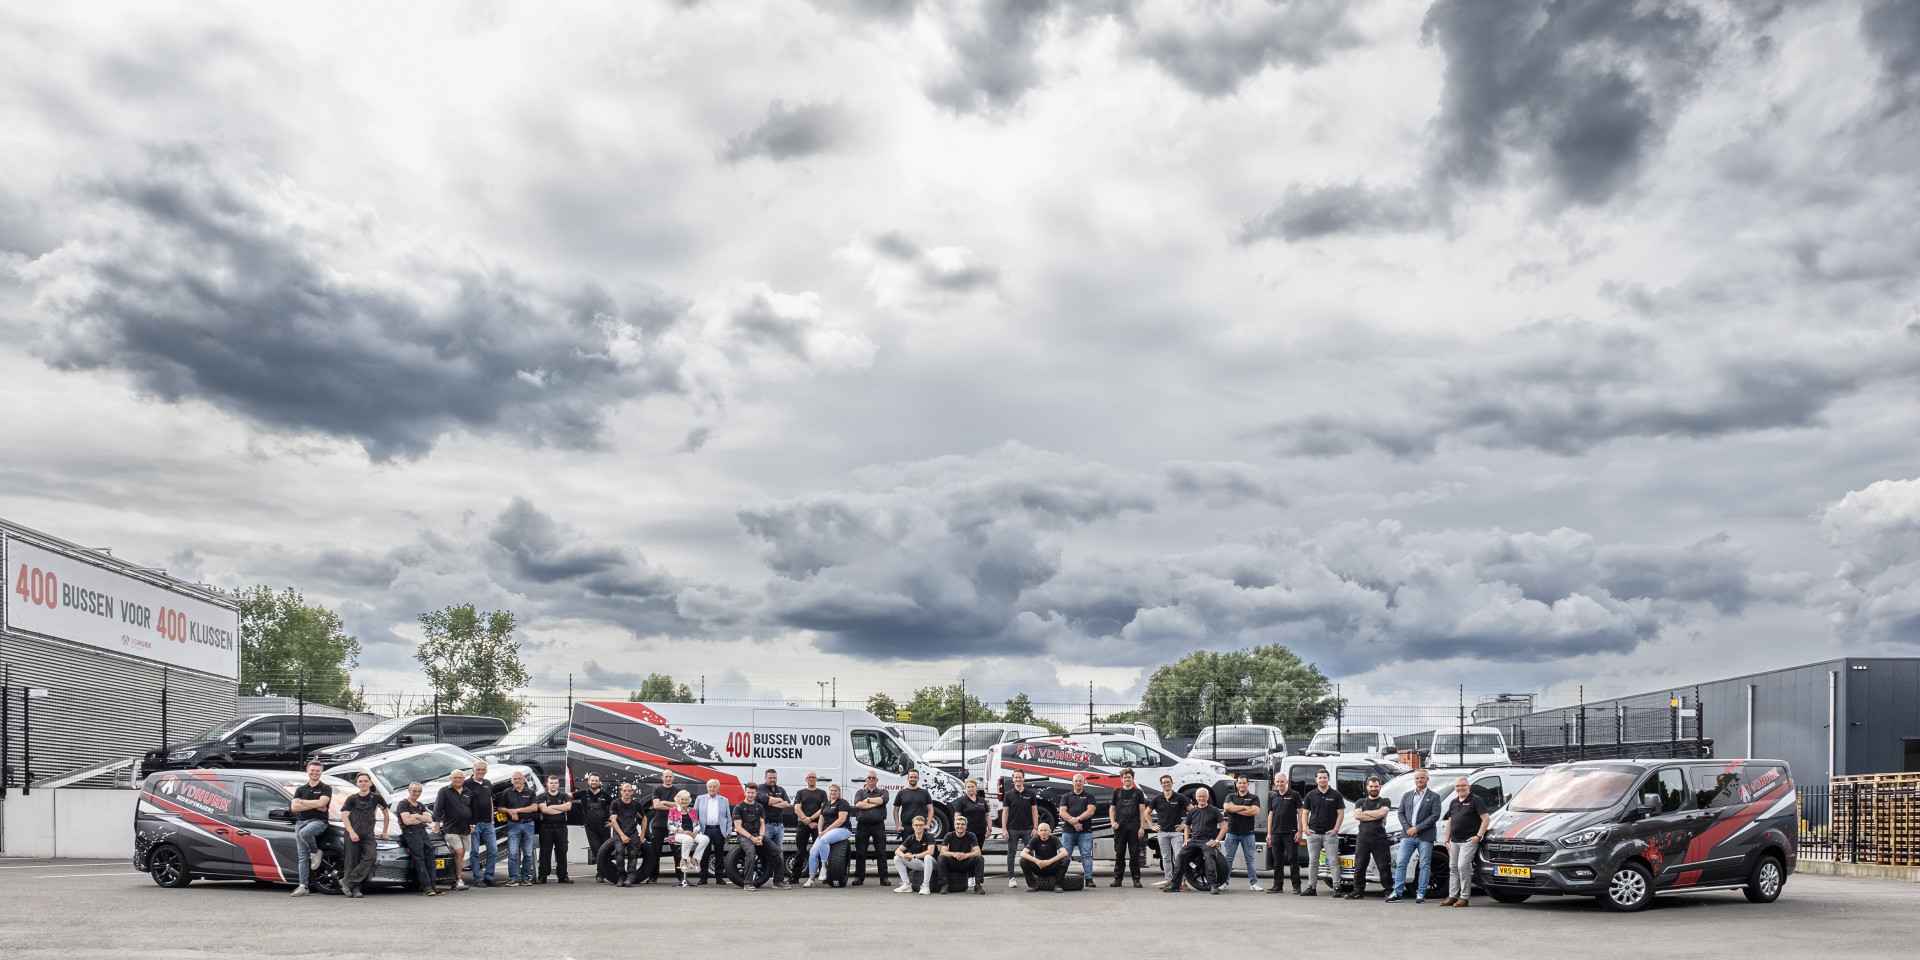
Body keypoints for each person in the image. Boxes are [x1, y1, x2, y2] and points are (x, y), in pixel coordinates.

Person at [1390, 768, 1442, 903]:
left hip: (1425, 836)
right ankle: (1397, 892)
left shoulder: (1434, 797)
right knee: (1401, 863)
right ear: (1415, 780)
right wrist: (1408, 828)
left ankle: (1421, 893)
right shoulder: (1407, 795)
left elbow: (1435, 816)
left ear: (1427, 779)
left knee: (1424, 865)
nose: (1419, 780)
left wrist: (1417, 828)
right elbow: (1400, 813)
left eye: (1422, 778)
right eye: (1417, 778)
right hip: (1407, 836)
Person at [1440, 777, 1489, 908]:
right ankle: (1452, 896)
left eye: (1463, 785)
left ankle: (1464, 897)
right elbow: (1450, 821)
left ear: (1469, 787)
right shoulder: (1453, 802)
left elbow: (1486, 819)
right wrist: (1446, 839)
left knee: (1463, 867)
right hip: (1454, 841)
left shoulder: (1476, 800)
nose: (1460, 788)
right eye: (1458, 786)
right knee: (1453, 868)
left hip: (1469, 840)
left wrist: (1478, 836)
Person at [1166, 787, 1226, 895]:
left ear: (1207, 797)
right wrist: (1186, 840)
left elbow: (1224, 827)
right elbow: (1187, 826)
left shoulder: (1214, 810)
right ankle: (1175, 885)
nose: (1201, 798)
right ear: (1196, 798)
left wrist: (1217, 841)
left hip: (1207, 841)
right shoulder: (1192, 811)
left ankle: (1213, 885)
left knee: (1209, 858)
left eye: (1203, 796)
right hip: (1194, 840)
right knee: (1180, 857)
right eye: (1199, 796)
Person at [340, 772, 389, 899]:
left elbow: (386, 813)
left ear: (370, 783)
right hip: (353, 834)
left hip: (368, 834)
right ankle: (355, 889)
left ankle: (347, 882)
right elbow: (344, 816)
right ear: (357, 783)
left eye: (366, 781)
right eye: (360, 781)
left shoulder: (376, 798)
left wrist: (384, 831)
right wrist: (351, 832)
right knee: (352, 862)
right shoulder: (351, 798)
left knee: (371, 857)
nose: (363, 783)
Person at [289, 761, 334, 897]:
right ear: (307, 771)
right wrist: (316, 804)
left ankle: (316, 852)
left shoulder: (326, 788)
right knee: (302, 857)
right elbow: (294, 807)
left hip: (318, 821)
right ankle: (303, 886)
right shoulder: (300, 789)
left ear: (321, 772)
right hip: (300, 822)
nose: (315, 773)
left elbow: (323, 803)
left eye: (317, 771)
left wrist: (302, 802)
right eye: (312, 770)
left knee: (305, 833)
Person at [1347, 775, 1393, 899]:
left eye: (1376, 786)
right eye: (1371, 786)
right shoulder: (1360, 802)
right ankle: (1358, 891)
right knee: (1359, 866)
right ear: (1367, 787)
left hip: (1379, 839)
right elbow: (1357, 816)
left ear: (1380, 787)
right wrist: (1375, 815)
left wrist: (1365, 813)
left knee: (1384, 866)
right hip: (1363, 839)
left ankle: (1389, 890)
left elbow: (1382, 813)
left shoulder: (1385, 801)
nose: (1373, 788)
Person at [1299, 769, 1343, 896]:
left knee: (1333, 861)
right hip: (1313, 834)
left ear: (1328, 779)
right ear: (1316, 780)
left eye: (1324, 777)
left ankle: (1337, 888)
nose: (1322, 780)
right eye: (1320, 778)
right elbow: (1305, 813)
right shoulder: (1310, 795)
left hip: (1330, 834)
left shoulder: (1336, 795)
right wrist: (1305, 828)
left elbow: (1340, 813)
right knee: (1313, 862)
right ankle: (1311, 888)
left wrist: (1336, 829)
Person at [802, 783, 854, 887]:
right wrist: (820, 831)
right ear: (829, 792)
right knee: (813, 852)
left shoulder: (843, 803)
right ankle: (811, 879)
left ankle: (824, 867)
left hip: (842, 829)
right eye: (831, 791)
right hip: (826, 832)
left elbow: (841, 820)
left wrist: (826, 831)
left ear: (839, 792)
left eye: (835, 791)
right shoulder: (826, 804)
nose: (833, 792)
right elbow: (821, 819)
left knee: (824, 840)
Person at [432, 768, 473, 892]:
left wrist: (473, 824)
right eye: (455, 777)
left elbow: (472, 808)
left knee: (460, 854)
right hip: (451, 828)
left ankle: (453, 878)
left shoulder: (468, 791)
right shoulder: (444, 791)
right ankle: (459, 879)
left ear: (464, 779)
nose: (458, 780)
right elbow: (438, 808)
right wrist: (436, 823)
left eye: (460, 777)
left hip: (465, 828)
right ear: (451, 779)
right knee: (459, 852)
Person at [1221, 774, 1263, 892]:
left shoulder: (1254, 797)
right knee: (1228, 859)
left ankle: (1253, 883)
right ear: (1236, 784)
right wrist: (1245, 808)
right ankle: (1224, 882)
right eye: (1239, 783)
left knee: (1250, 860)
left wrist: (1235, 809)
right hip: (1232, 833)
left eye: (1244, 783)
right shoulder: (1230, 796)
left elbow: (1255, 811)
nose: (1242, 785)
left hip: (1248, 834)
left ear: (1247, 784)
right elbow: (1227, 807)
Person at [394, 781, 437, 896]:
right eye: (414, 791)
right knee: (419, 859)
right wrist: (421, 818)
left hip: (422, 832)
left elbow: (429, 819)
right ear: (409, 791)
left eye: (419, 791)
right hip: (411, 833)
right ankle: (427, 887)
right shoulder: (403, 804)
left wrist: (416, 816)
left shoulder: (420, 805)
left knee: (430, 857)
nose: (416, 793)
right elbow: (407, 821)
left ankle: (433, 886)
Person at [1108, 768, 1149, 888]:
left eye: (1129, 777)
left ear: (1132, 778)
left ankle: (1136, 880)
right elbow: (1112, 809)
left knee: (1134, 854)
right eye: (1125, 777)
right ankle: (1117, 880)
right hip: (1120, 828)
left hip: (1134, 828)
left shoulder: (1138, 792)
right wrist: (1113, 822)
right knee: (1119, 854)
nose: (1127, 779)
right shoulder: (1117, 792)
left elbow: (1142, 810)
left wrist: (1142, 827)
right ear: (1121, 779)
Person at [998, 769, 1039, 888]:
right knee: (1011, 854)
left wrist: (1035, 827)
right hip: (1012, 829)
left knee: (1030, 853)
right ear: (1013, 779)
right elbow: (1005, 812)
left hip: (1028, 829)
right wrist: (1004, 829)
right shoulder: (1008, 795)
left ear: (1023, 778)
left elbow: (1034, 811)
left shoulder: (1030, 793)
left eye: (1020, 777)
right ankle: (1011, 878)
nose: (1018, 779)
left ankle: (1031, 878)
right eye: (1015, 777)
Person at [1056, 773, 1098, 891]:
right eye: (1076, 781)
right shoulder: (1066, 796)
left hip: (1085, 831)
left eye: (1080, 781)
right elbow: (1062, 812)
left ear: (1084, 782)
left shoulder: (1089, 796)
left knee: (1086, 855)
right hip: (1068, 831)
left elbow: (1091, 811)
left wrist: (1077, 819)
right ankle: (1060, 879)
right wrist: (1073, 822)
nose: (1078, 783)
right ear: (1072, 782)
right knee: (1065, 855)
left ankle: (1089, 879)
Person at [1265, 772, 1303, 895]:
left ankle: (1296, 886)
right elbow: (1270, 815)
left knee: (1293, 860)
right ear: (1274, 782)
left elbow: (1300, 813)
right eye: (1277, 781)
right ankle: (1277, 886)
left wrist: (1300, 831)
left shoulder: (1294, 795)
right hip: (1276, 833)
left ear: (1286, 782)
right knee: (1277, 861)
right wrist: (1269, 833)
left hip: (1290, 833)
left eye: (1282, 781)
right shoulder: (1272, 796)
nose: (1279, 784)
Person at [500, 770, 540, 886]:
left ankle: (526, 878)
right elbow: (500, 808)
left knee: (528, 853)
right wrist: (509, 811)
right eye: (515, 779)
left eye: (519, 778)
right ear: (512, 781)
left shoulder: (530, 792)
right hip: (513, 825)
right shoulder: (506, 792)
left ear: (523, 780)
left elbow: (534, 807)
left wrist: (516, 810)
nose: (517, 781)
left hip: (528, 825)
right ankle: (513, 878)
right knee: (513, 853)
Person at [1149, 774, 1189, 887]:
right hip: (1162, 833)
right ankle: (1169, 880)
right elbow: (1146, 812)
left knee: (1178, 858)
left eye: (1168, 782)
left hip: (1176, 833)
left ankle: (1182, 881)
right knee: (1166, 858)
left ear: (1172, 783)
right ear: (1161, 785)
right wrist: (1151, 825)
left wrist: (1184, 824)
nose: (1166, 784)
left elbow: (1192, 811)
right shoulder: (1157, 799)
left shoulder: (1180, 797)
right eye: (1164, 782)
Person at [850, 772, 889, 886]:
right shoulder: (860, 792)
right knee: (860, 852)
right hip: (862, 825)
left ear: (877, 780)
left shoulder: (883, 792)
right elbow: (858, 805)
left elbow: (882, 800)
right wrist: (875, 803)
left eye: (873, 778)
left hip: (878, 825)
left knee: (881, 852)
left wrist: (867, 800)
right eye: (869, 778)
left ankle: (884, 878)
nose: (871, 779)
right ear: (866, 780)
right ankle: (859, 878)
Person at [465, 759, 499, 888]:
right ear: (473, 770)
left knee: (493, 850)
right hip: (473, 824)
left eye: (483, 769)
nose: (481, 771)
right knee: (474, 852)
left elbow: (490, 801)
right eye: (478, 769)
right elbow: (464, 804)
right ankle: (477, 878)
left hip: (488, 823)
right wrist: (469, 822)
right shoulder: (466, 784)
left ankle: (489, 877)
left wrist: (492, 819)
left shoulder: (488, 783)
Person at [573, 773, 612, 882]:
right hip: (590, 828)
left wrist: (612, 821)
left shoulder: (606, 795)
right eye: (592, 780)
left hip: (604, 827)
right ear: (588, 782)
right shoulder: (582, 794)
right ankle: (600, 873)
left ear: (599, 782)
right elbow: (567, 796)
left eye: (596, 780)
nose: (594, 782)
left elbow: (615, 808)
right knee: (596, 850)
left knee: (606, 850)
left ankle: (608, 872)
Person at [607, 782, 647, 887]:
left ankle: (630, 878)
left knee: (633, 855)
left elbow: (644, 818)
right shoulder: (615, 803)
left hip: (633, 833)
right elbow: (613, 820)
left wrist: (642, 835)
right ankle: (621, 877)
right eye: (624, 790)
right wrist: (622, 835)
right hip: (619, 833)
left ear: (632, 792)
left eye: (629, 791)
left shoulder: (636, 804)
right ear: (621, 792)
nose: (627, 793)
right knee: (619, 853)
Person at [643, 769, 679, 884]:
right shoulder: (657, 789)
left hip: (673, 826)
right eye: (666, 776)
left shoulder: (677, 791)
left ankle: (680, 877)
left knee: (677, 852)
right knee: (655, 852)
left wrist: (664, 802)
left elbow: (680, 805)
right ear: (662, 778)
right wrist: (672, 807)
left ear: (673, 778)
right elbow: (656, 805)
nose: (668, 778)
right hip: (658, 825)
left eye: (670, 776)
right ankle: (653, 877)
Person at [536, 773, 573, 884]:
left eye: (555, 783)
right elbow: (544, 810)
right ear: (547, 784)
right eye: (551, 783)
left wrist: (552, 807)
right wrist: (560, 809)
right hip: (546, 828)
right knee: (545, 852)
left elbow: (568, 807)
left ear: (558, 784)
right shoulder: (542, 796)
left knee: (562, 851)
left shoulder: (565, 796)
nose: (553, 785)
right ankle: (542, 876)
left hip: (561, 828)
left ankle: (563, 876)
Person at [791, 772, 827, 884]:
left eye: (813, 777)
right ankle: (795, 877)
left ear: (816, 779)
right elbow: (797, 808)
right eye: (809, 777)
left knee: (821, 850)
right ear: (806, 779)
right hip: (803, 824)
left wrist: (811, 819)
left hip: (818, 825)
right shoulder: (800, 793)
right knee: (800, 851)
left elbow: (823, 809)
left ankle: (824, 877)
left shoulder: (822, 793)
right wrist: (806, 820)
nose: (811, 779)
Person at [695, 778, 732, 885]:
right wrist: (696, 829)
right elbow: (694, 816)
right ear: (707, 788)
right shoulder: (700, 799)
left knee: (719, 855)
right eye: (710, 787)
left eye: (714, 787)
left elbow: (728, 817)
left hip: (718, 830)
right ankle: (703, 878)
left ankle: (719, 878)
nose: (712, 788)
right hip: (704, 830)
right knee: (704, 854)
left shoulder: (724, 800)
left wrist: (728, 831)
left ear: (718, 788)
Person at [759, 770, 792, 889]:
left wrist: (772, 802)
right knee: (764, 852)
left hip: (779, 826)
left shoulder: (781, 789)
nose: (772, 780)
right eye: (770, 778)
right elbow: (765, 800)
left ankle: (778, 881)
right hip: (766, 825)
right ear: (765, 777)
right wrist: (778, 800)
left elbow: (787, 804)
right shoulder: (761, 788)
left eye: (774, 777)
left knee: (779, 853)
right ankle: (760, 878)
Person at [938, 814, 986, 894]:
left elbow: (978, 852)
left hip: (966, 863)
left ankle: (978, 885)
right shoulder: (949, 835)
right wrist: (954, 854)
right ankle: (944, 885)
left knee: (980, 858)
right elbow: (942, 852)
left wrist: (966, 855)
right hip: (953, 862)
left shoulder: (971, 835)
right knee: (941, 858)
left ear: (966, 826)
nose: (960, 826)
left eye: (962, 824)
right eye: (958, 824)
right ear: (954, 825)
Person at [734, 783, 768, 891]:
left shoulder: (759, 807)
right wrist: (752, 838)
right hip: (744, 836)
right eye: (748, 792)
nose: (750, 795)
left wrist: (761, 837)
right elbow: (738, 828)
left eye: (752, 793)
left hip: (758, 835)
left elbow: (762, 823)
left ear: (756, 793)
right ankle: (748, 883)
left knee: (776, 851)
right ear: (745, 793)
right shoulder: (738, 807)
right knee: (751, 852)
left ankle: (778, 881)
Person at [664, 790, 701, 887]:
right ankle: (681, 878)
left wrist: (695, 832)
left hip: (691, 836)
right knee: (678, 857)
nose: (684, 801)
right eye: (682, 799)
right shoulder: (673, 810)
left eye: (686, 799)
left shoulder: (692, 811)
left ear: (689, 800)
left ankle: (685, 878)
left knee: (688, 855)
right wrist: (682, 831)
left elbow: (697, 825)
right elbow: (670, 825)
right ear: (678, 800)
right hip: (677, 836)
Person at [1019, 821, 1070, 891]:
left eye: (1045, 830)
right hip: (1039, 867)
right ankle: (1032, 885)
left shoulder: (1054, 839)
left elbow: (1064, 853)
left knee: (1066, 859)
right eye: (1041, 830)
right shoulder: (1035, 839)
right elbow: (1023, 853)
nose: (1043, 832)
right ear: (1038, 832)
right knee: (1023, 861)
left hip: (1052, 867)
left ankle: (1058, 885)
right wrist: (1037, 861)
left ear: (1050, 831)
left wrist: (1049, 862)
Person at [894, 814, 935, 895]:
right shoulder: (911, 837)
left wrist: (913, 856)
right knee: (897, 858)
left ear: (924, 826)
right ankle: (907, 885)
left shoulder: (929, 836)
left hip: (932, 864)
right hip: (920, 864)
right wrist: (904, 856)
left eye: (921, 825)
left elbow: (930, 852)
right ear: (913, 826)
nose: (918, 827)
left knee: (927, 857)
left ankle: (925, 886)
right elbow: (897, 850)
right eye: (916, 825)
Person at [953, 778, 989, 858]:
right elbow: (957, 816)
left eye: (972, 786)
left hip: (981, 831)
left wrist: (989, 828)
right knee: (968, 852)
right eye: (968, 787)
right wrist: (958, 828)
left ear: (976, 788)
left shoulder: (982, 800)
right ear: (965, 789)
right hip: (967, 832)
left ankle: (977, 865)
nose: (970, 789)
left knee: (978, 851)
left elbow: (987, 815)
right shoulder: (961, 801)